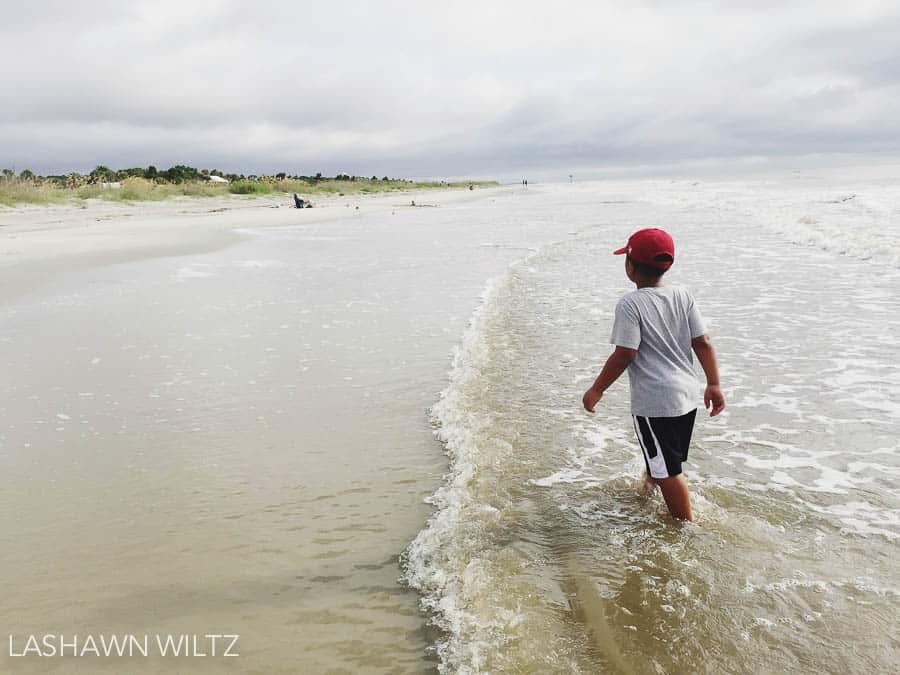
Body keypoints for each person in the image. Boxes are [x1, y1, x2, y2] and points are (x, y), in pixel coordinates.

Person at [581, 228, 725, 521]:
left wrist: (597, 390)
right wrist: (714, 383)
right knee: (663, 459)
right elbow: (702, 342)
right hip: (686, 396)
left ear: (630, 268)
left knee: (668, 472)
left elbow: (625, 353)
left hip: (655, 403)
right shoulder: (683, 296)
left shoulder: (630, 304)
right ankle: (649, 491)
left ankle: (685, 527)